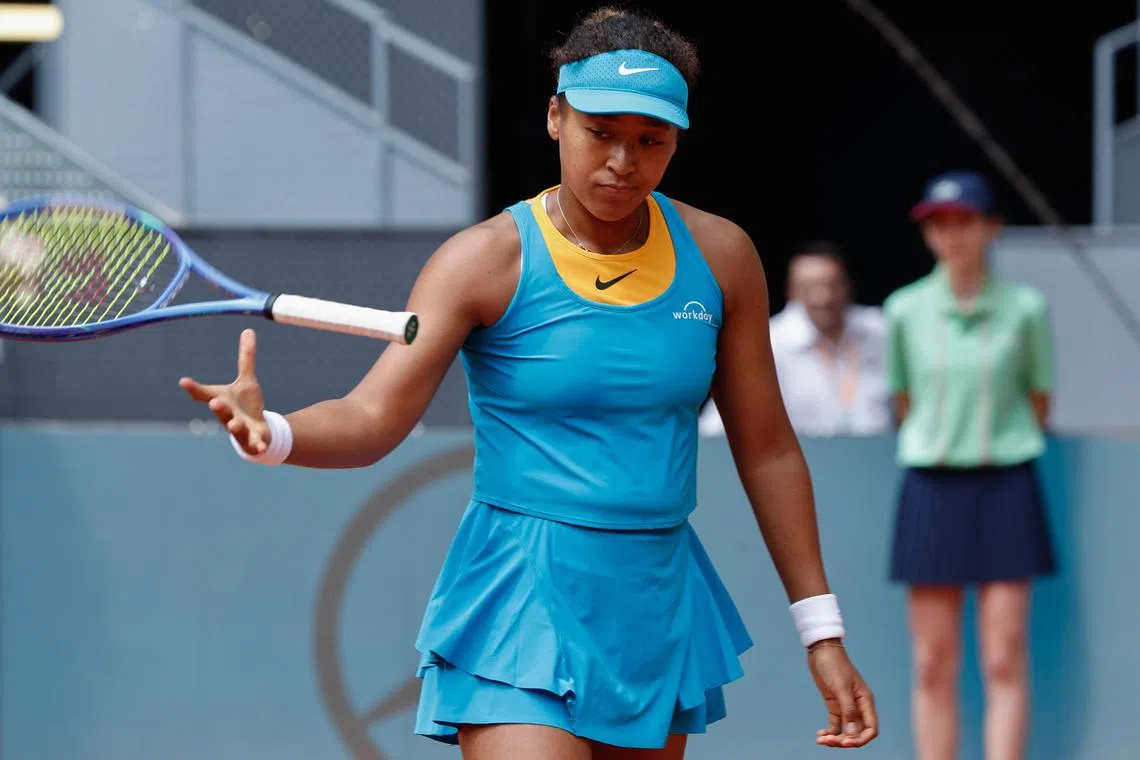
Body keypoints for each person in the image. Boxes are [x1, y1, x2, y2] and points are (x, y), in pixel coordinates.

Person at [179, 7, 878, 758]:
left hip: (652, 596)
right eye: (600, 132)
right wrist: (273, 434)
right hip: (521, 587)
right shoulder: (482, 261)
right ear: (555, 118)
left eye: (651, 140)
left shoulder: (722, 255)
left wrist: (822, 632)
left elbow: (767, 450)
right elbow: (372, 415)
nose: (622, 161)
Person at [884, 170, 1057, 760]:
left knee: (1004, 654)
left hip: (1007, 484)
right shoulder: (904, 310)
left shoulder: (1026, 309)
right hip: (931, 487)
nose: (951, 235)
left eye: (964, 222)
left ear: (991, 228)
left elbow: (1039, 397)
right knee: (933, 661)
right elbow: (903, 400)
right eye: (939, 224)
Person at [699, 242, 891, 437]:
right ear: (791, 291)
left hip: (882, 458)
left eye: (832, 285)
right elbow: (715, 427)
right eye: (809, 288)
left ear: (848, 285)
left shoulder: (882, 331)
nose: (823, 297)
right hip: (805, 461)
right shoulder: (770, 342)